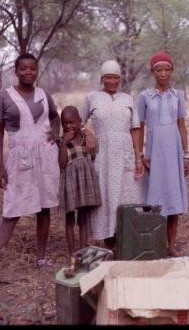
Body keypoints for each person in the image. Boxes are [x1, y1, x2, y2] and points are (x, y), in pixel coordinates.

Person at [0, 53, 60, 287]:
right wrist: (0, 167)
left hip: (45, 157)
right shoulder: (4, 97)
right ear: (16, 71)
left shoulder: (43, 94)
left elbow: (54, 117)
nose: (28, 72)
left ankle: (41, 258)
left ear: (37, 71)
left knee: (44, 208)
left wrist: (55, 135)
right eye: (23, 69)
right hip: (19, 159)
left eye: (32, 68)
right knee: (12, 211)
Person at [79, 60, 144, 250]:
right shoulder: (92, 98)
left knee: (127, 197)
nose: (112, 81)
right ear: (101, 78)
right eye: (108, 77)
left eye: (115, 77)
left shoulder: (127, 99)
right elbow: (76, 122)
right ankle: (109, 244)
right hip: (102, 156)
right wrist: (87, 132)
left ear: (120, 79)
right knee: (106, 197)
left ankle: (128, 242)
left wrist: (138, 157)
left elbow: (135, 128)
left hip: (124, 154)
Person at [136, 51, 189, 257]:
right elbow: (139, 127)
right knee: (154, 199)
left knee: (174, 198)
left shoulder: (178, 96)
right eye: (159, 70)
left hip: (174, 153)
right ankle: (153, 243)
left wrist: (186, 155)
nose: (163, 73)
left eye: (167, 69)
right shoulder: (144, 97)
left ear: (172, 70)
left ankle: (170, 245)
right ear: (152, 72)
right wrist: (140, 155)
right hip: (154, 154)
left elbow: (182, 126)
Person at [58, 106, 101, 256]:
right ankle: (72, 253)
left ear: (80, 121)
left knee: (84, 218)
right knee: (70, 219)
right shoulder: (61, 142)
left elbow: (93, 155)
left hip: (85, 182)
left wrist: (89, 134)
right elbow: (62, 164)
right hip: (70, 183)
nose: (68, 126)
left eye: (72, 122)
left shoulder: (85, 138)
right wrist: (63, 143)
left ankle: (83, 250)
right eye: (65, 123)